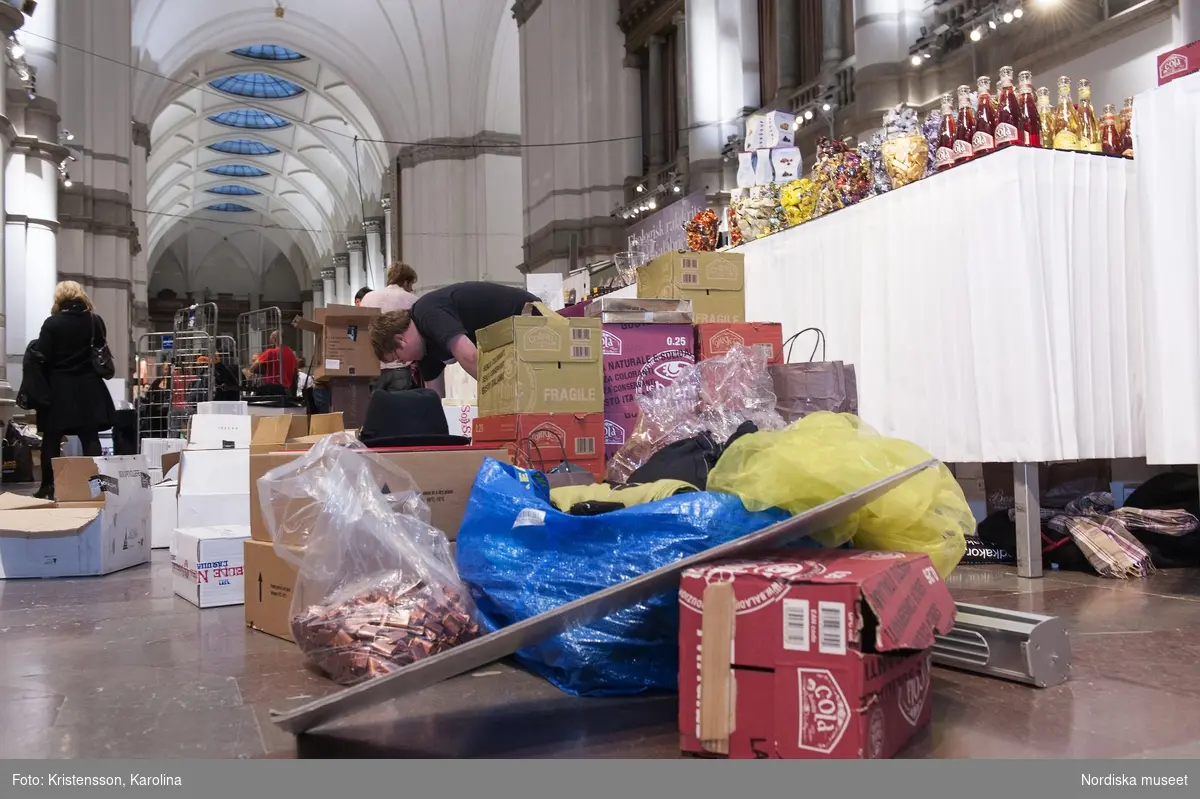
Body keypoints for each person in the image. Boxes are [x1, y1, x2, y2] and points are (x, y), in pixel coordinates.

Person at [368, 281, 538, 396]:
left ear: (400, 340)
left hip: (529, 316)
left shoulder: (427, 314)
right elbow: (434, 398)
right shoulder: (425, 352)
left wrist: (503, 397)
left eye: (398, 358)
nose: (404, 362)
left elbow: (470, 357)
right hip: (511, 336)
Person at [32, 281, 116, 499]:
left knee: (51, 438)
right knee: (90, 436)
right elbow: (99, 349)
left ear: (59, 298)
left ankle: (48, 487)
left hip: (59, 387)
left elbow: (44, 355)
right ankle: (96, 488)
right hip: (89, 386)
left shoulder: (52, 323)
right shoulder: (94, 321)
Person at [249, 330, 297, 394]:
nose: (270, 343)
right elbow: (295, 373)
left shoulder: (270, 352)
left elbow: (253, 368)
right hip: (286, 390)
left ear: (274, 339)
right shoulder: (292, 354)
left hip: (271, 390)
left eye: (270, 340)